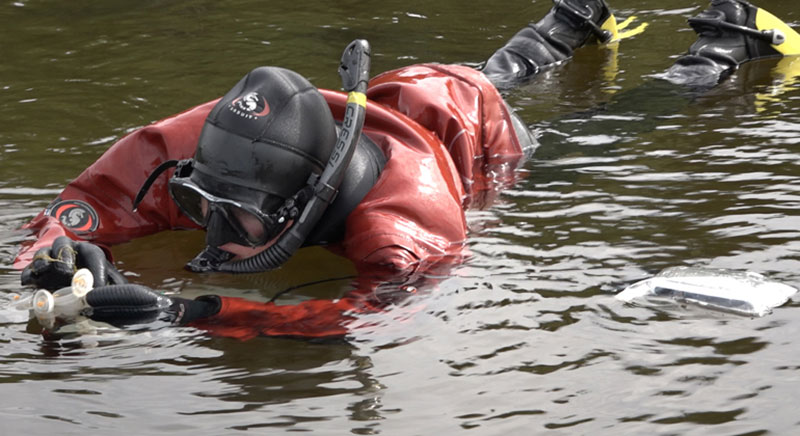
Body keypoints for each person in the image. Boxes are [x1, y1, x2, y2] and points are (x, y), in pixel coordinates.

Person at [13, 0, 800, 339]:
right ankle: (569, 24)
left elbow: (367, 317)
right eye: (200, 202)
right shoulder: (200, 144)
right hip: (406, 92)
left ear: (304, 208)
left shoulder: (409, 225)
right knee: (497, 68)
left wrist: (192, 315)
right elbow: (89, 200)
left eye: (240, 220)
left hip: (469, 138)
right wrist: (52, 252)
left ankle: (725, 48)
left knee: (591, 137)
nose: (210, 232)